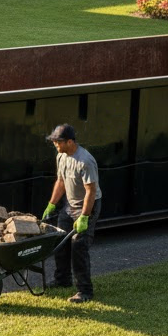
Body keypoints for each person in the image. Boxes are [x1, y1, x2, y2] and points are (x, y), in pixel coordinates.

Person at [41, 124, 102, 303]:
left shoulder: (85, 161)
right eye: (53, 141)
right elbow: (60, 181)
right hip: (69, 206)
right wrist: (51, 204)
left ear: (70, 141)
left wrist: (84, 216)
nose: (55, 145)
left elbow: (91, 191)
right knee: (60, 241)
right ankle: (62, 279)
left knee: (78, 247)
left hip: (87, 207)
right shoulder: (61, 156)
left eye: (58, 142)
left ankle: (85, 291)